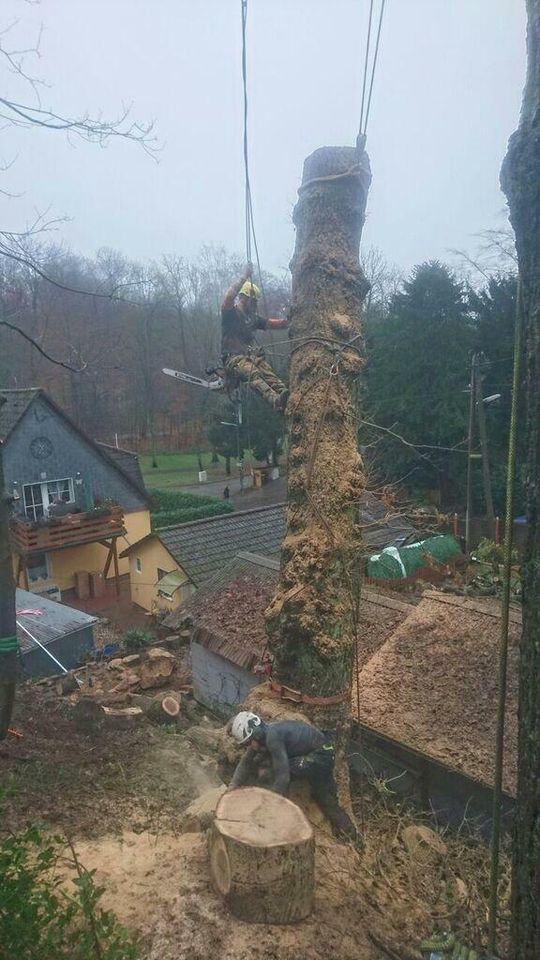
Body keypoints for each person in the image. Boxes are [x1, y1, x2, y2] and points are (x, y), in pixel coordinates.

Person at [228, 711, 357, 842]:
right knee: (326, 799)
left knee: (275, 770)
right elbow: (245, 762)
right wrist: (232, 786)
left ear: (256, 734)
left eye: (248, 743)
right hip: (323, 752)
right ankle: (350, 836)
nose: (249, 747)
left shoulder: (273, 737)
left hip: (320, 755)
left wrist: (267, 807)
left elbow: (283, 778)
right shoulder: (265, 733)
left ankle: (278, 816)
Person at [221, 265, 289, 410]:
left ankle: (285, 395)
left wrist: (289, 321)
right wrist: (244, 276)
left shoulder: (252, 318)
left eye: (256, 302)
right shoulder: (231, 313)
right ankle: (274, 400)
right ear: (242, 298)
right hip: (233, 359)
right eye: (252, 301)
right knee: (253, 372)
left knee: (266, 370)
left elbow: (271, 323)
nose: (254, 304)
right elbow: (228, 297)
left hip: (249, 358)